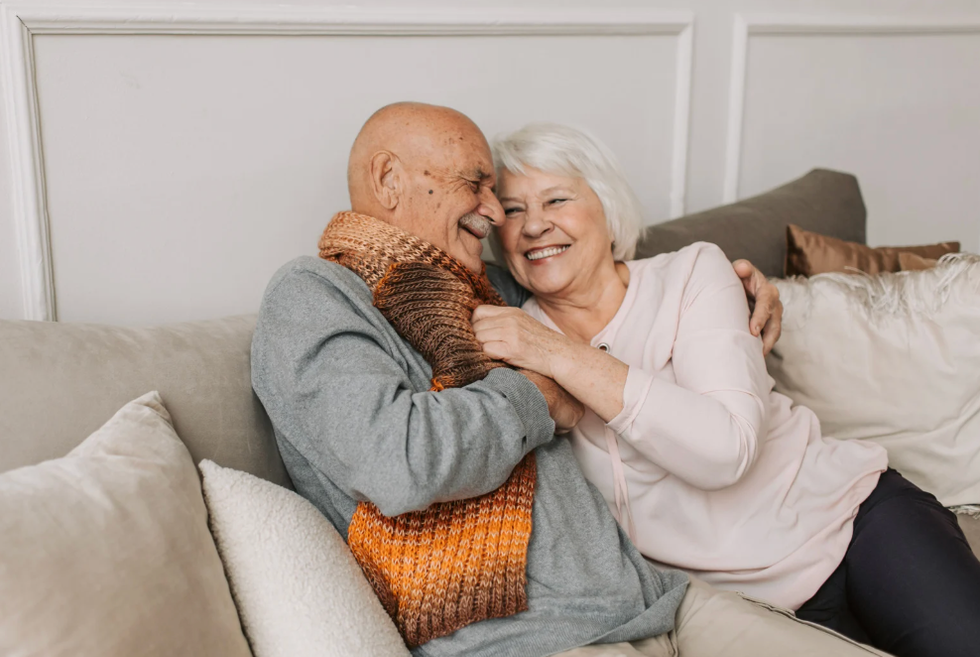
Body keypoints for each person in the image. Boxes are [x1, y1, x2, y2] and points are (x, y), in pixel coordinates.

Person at [251, 102, 890, 657]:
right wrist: (536, 395)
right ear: (388, 178)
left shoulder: (490, 288)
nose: (494, 210)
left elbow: (593, 272)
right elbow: (398, 462)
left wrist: (747, 287)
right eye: (475, 184)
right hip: (537, 640)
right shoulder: (314, 296)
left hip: (663, 601)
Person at [472, 121, 980, 657]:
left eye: (557, 199)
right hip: (740, 610)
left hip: (854, 522)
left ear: (607, 206)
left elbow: (725, 451)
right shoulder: (509, 335)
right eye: (511, 209)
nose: (534, 226)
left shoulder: (692, 273)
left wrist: (562, 355)